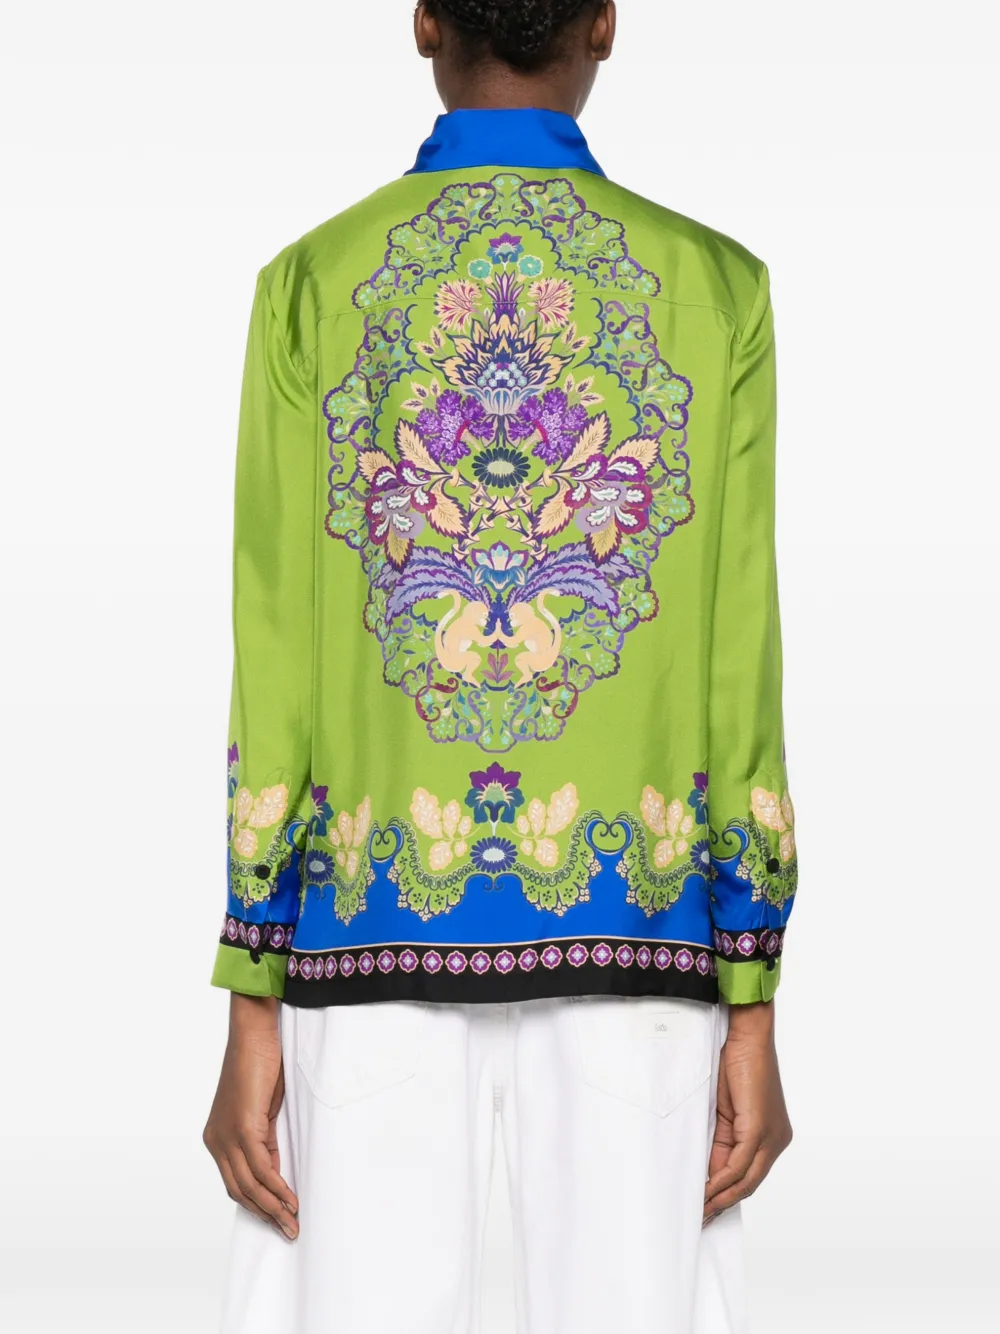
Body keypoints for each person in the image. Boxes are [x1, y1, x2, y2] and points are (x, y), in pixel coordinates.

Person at [203, 3, 796, 1331]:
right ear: (605, 25)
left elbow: (273, 650)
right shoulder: (717, 291)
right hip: (640, 933)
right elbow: (736, 659)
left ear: (424, 23)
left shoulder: (312, 285)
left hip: (367, 933)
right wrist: (752, 991)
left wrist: (251, 987)